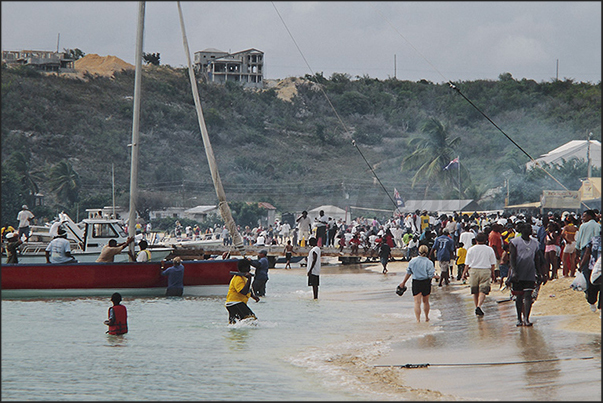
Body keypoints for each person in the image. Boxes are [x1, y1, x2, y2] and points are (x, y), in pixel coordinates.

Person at [508, 222, 548, 326]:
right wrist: (514, 272)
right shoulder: (514, 242)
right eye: (528, 229)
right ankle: (519, 319)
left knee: (528, 296)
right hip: (518, 273)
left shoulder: (535, 243)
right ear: (522, 231)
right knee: (519, 298)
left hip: (530, 273)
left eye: (530, 228)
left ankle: (526, 318)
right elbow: (512, 258)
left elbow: (536, 258)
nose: (530, 230)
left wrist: (539, 273)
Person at [397, 245, 436, 323]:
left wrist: (403, 282)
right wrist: (436, 276)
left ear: (419, 251)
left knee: (417, 302)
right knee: (426, 301)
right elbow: (431, 274)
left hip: (416, 282)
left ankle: (418, 320)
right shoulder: (429, 262)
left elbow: (409, 272)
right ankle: (426, 317)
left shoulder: (413, 261)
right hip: (426, 282)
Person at [462, 232, 496, 316]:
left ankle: (476, 306)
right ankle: (479, 306)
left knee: (475, 290)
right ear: (485, 240)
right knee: (483, 290)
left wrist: (464, 273)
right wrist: (493, 273)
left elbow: (467, 264)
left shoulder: (471, 249)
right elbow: (492, 264)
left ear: (476, 240)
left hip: (473, 271)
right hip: (485, 270)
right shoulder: (489, 249)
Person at [225, 259, 259, 324]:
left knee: (234, 323)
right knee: (252, 320)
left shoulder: (243, 278)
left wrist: (253, 296)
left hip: (233, 304)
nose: (249, 269)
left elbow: (247, 289)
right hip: (235, 303)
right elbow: (243, 292)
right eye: (248, 267)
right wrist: (249, 279)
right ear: (244, 268)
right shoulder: (238, 278)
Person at [578, 233, 601, 313]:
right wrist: (581, 265)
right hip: (593, 268)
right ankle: (592, 302)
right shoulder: (593, 240)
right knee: (592, 288)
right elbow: (587, 253)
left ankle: (600, 308)